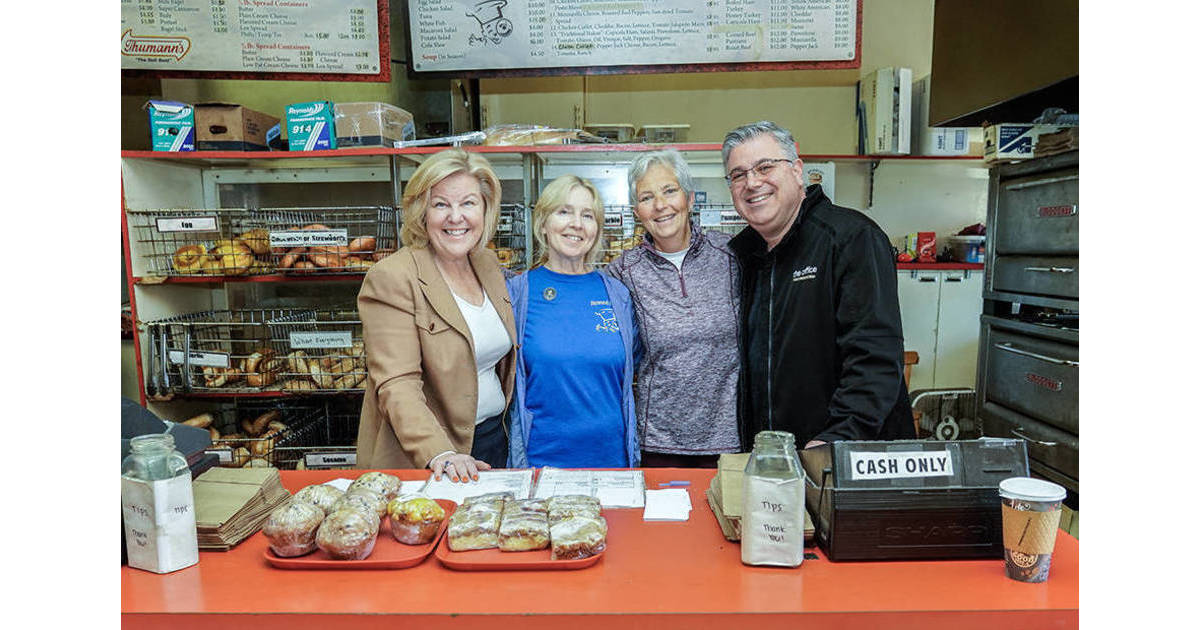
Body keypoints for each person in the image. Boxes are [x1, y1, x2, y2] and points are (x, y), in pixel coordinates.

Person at [722, 121, 914, 449]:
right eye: (738, 174)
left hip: (847, 456)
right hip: (776, 460)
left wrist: (837, 438)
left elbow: (875, 357)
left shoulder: (850, 238)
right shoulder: (742, 256)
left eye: (765, 167)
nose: (752, 182)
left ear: (797, 170)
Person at [356, 149, 516, 482]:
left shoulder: (486, 264)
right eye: (441, 204)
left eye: (468, 203)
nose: (456, 217)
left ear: (486, 210)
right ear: (421, 211)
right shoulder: (393, 277)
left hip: (493, 441)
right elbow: (396, 383)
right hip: (429, 458)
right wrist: (440, 453)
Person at [605, 149, 741, 468]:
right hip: (658, 444)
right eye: (647, 197)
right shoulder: (624, 271)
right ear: (636, 211)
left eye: (670, 191)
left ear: (690, 199)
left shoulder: (731, 256)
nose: (661, 205)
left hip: (729, 440)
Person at [506, 175, 641, 469]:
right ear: (543, 223)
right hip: (540, 464)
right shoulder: (518, 294)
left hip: (612, 462)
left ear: (597, 229)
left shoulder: (617, 294)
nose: (576, 223)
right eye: (564, 211)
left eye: (587, 215)